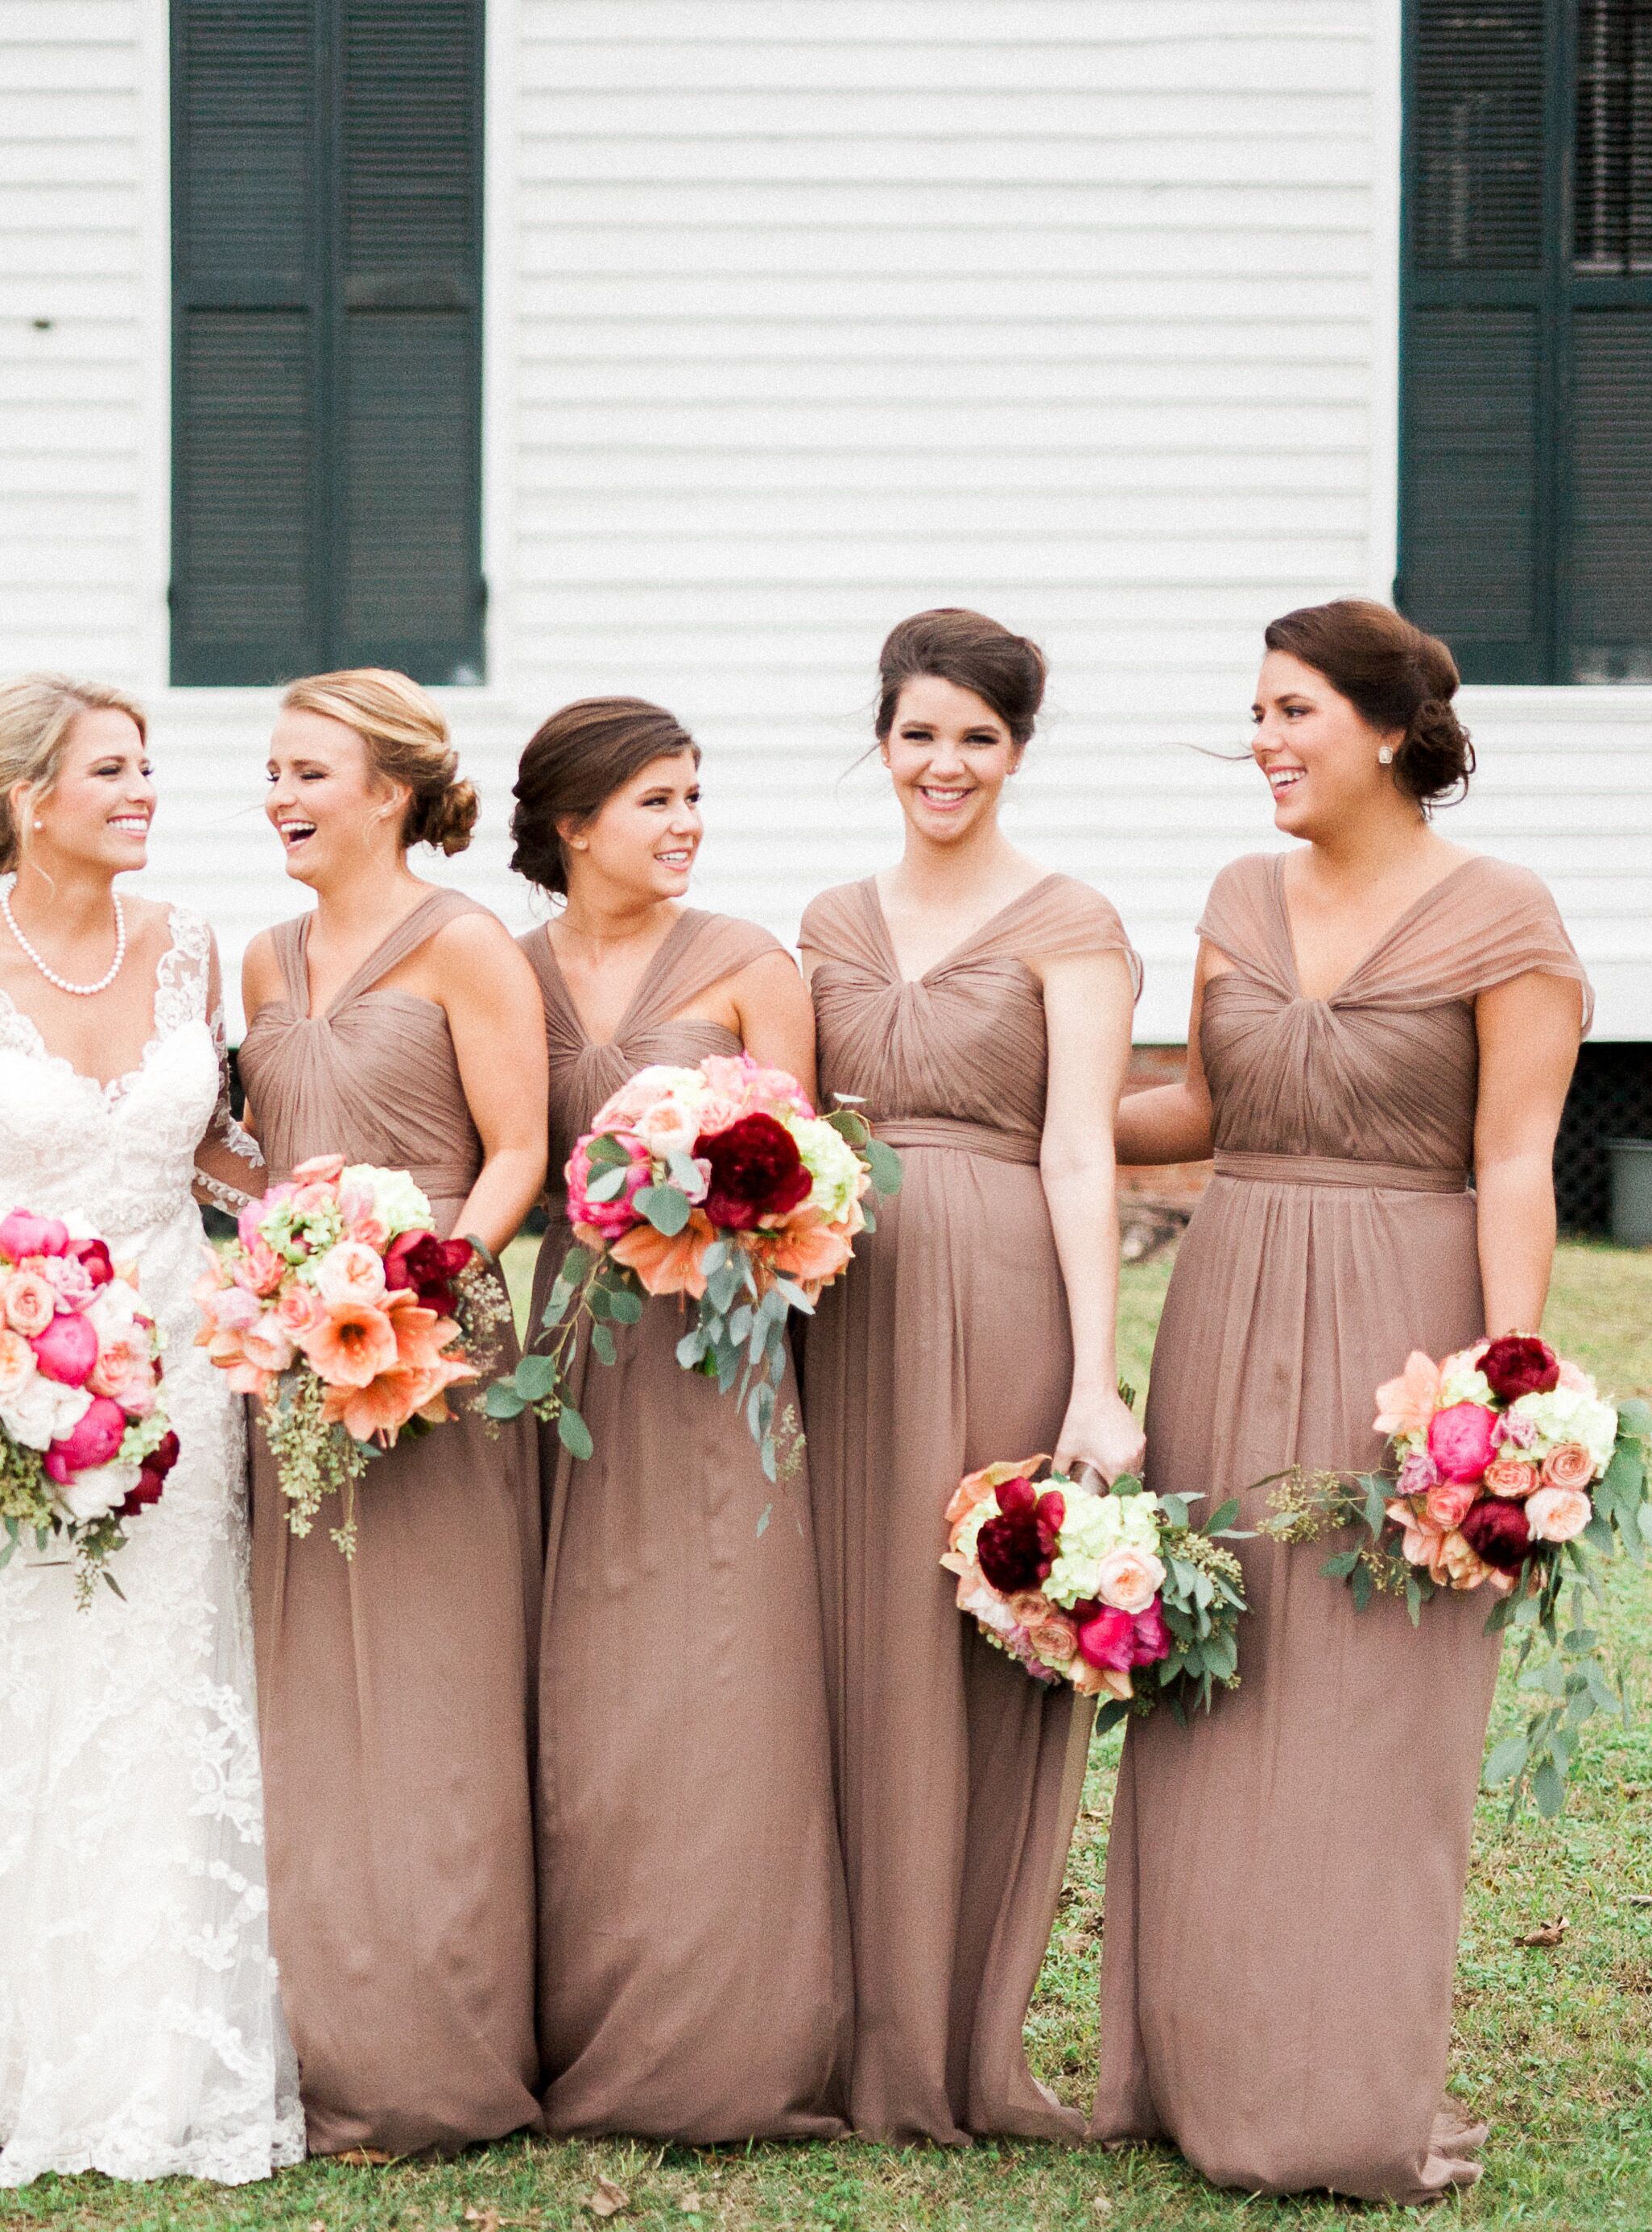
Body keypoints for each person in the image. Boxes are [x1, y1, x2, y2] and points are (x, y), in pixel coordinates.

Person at [1097, 601, 1584, 2201]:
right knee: (1220, 1690)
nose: (1265, 740)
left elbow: (1515, 1158)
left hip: (1407, 1320)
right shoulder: (1240, 896)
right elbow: (1191, 1108)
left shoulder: (1505, 911)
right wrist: (1005, 1099)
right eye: (1256, 711)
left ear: (1386, 729)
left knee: (1375, 1711)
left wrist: (1504, 1382)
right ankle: (1201, 2063)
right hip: (1231, 1305)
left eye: (1293, 711)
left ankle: (1341, 2085)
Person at [0, 672, 302, 2186]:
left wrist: (323, 1235)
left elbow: (216, 1149)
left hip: (184, 1362)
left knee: (176, 1674)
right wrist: (20, 1353)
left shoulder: (186, 947)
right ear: (24, 803)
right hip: (16, 1378)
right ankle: (36, 2053)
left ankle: (183, 2046)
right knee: (34, 1689)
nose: (144, 792)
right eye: (112, 771)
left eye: (142, 768)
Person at [795, 610, 1142, 2143]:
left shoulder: (1070, 923)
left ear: (1015, 752)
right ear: (881, 740)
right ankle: (833, 2016)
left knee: (982, 1641)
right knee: (842, 1638)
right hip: (841, 1305)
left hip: (1003, 1289)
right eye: (919, 733)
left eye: (977, 739)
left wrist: (1095, 1377)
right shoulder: (819, 920)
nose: (944, 765)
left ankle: (963, 2034)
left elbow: (1082, 1147)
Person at [510, 696, 849, 2142]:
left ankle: (731, 2029)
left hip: (723, 1353)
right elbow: (505, 1167)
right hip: (576, 1347)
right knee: (586, 1681)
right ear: (573, 824)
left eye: (695, 796)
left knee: (721, 1672)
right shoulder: (505, 970)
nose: (687, 824)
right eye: (656, 800)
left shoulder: (753, 964)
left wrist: (721, 1212)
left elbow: (815, 1173)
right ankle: (580, 2010)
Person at [232, 668, 546, 2156]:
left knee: (431, 1690)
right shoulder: (260, 960)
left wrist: (419, 1282)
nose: (279, 796)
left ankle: (438, 2046)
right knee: (304, 1691)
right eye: (273, 772)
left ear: (390, 795)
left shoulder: (467, 946)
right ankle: (321, 2036)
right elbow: (257, 1153)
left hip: (430, 1341)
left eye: (308, 773)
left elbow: (517, 1153)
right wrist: (271, 1275)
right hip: (291, 1347)